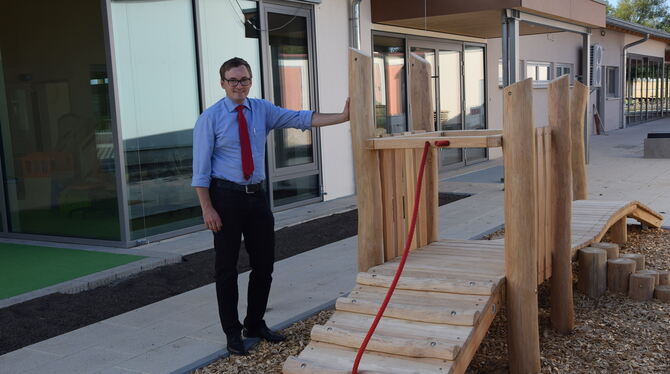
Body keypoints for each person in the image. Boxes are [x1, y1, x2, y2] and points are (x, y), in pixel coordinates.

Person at [191, 57, 349, 355]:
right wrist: (207, 208)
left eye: (244, 79)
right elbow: (200, 170)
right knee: (226, 269)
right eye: (233, 80)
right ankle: (232, 332)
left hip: (257, 197)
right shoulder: (209, 118)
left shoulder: (262, 109)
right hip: (225, 198)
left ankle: (254, 323)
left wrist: (342, 117)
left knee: (264, 264)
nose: (240, 85)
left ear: (251, 81)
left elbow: (301, 118)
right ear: (222, 83)